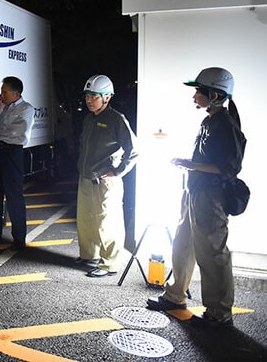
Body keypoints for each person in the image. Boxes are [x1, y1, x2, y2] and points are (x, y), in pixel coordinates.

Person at [146, 67, 245, 328]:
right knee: (183, 244)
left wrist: (190, 165)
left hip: (210, 196)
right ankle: (175, 295)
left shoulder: (225, 124)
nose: (194, 97)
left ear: (215, 95)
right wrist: (190, 165)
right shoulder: (211, 120)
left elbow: (229, 167)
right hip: (196, 191)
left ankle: (219, 313)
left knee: (213, 253)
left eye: (199, 92)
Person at [76, 74, 138, 278]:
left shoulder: (116, 119)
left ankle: (110, 263)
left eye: (94, 97)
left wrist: (118, 171)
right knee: (86, 221)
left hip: (105, 181)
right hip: (86, 178)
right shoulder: (88, 119)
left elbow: (134, 150)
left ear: (107, 97)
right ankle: (89, 255)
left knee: (107, 222)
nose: (89, 101)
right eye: (87, 97)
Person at [0, 76, 35, 249]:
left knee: (14, 196)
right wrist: (0, 108)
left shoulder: (27, 108)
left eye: (5, 91)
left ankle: (19, 238)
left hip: (12, 153)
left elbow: (17, 131)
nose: (1, 94)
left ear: (16, 93)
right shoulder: (2, 107)